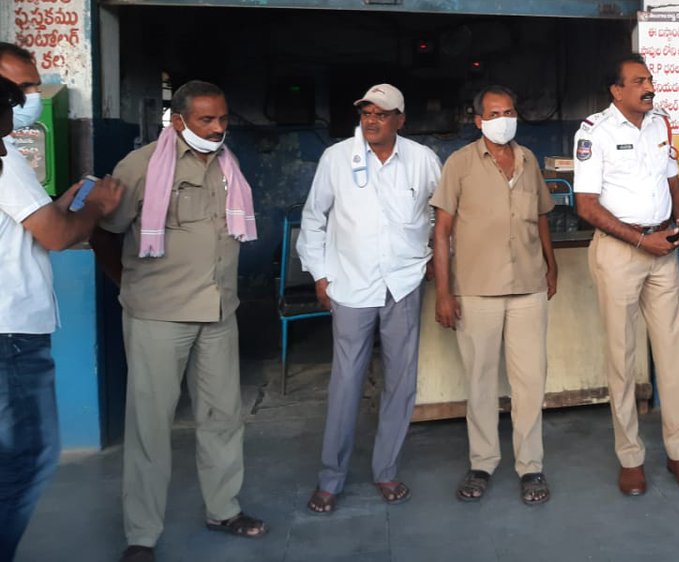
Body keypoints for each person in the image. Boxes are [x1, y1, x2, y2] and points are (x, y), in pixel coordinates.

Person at [92, 80, 264, 562]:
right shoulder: (143, 166)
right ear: (179, 120)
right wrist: (127, 285)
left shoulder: (227, 166)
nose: (218, 128)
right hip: (159, 315)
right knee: (150, 424)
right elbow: (106, 233)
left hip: (217, 310)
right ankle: (141, 535)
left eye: (223, 118)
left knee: (222, 417)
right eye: (207, 120)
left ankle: (224, 509)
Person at [299, 84, 441, 516]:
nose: (372, 120)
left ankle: (386, 469)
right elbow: (313, 217)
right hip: (351, 285)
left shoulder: (422, 160)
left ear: (401, 118)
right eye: (366, 113)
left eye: (382, 113)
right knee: (346, 381)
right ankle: (330, 478)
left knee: (401, 381)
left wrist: (433, 259)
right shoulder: (337, 158)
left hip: (403, 283)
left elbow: (442, 215)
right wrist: (320, 274)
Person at [0, 64, 123, 562]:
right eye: (20, 93)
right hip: (10, 335)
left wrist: (61, 205)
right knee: (27, 460)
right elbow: (55, 235)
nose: (27, 103)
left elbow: (28, 226)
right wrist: (96, 210)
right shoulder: (4, 158)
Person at [573, 53, 679, 496]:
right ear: (616, 90)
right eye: (638, 81)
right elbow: (586, 205)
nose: (648, 87)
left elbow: (672, 177)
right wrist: (637, 239)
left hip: (662, 249)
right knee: (622, 357)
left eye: (649, 79)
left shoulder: (661, 123)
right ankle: (631, 458)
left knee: (673, 355)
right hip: (619, 253)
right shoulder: (594, 132)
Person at [431, 86, 558, 505]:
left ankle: (531, 466)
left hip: (527, 287)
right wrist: (444, 292)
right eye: (494, 113)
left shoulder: (528, 160)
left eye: (509, 111)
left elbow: (540, 216)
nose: (504, 118)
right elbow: (443, 230)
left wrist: (550, 264)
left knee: (529, 382)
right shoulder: (460, 164)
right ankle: (482, 462)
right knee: (481, 381)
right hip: (476, 290)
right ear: (478, 120)